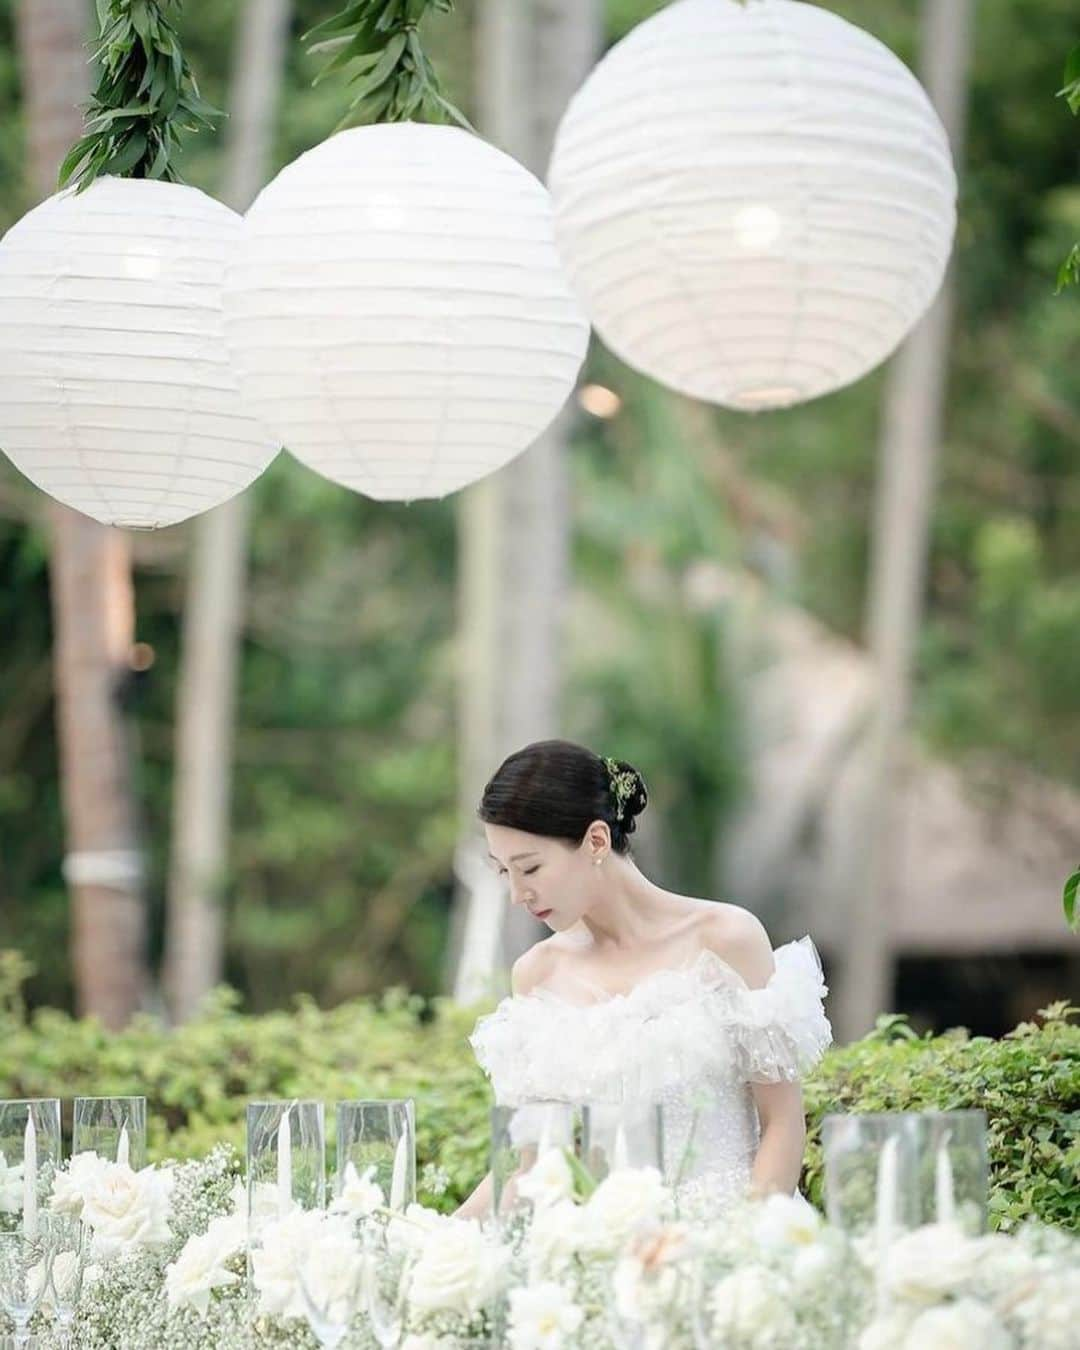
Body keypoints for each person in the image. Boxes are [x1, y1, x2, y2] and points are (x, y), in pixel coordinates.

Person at [454, 739, 832, 1221]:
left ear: (596, 840)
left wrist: (743, 1248)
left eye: (529, 868)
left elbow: (781, 1122)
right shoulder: (537, 974)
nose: (517, 894)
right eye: (504, 871)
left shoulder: (726, 939)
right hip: (601, 1249)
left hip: (734, 1239)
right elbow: (530, 1165)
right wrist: (433, 1238)